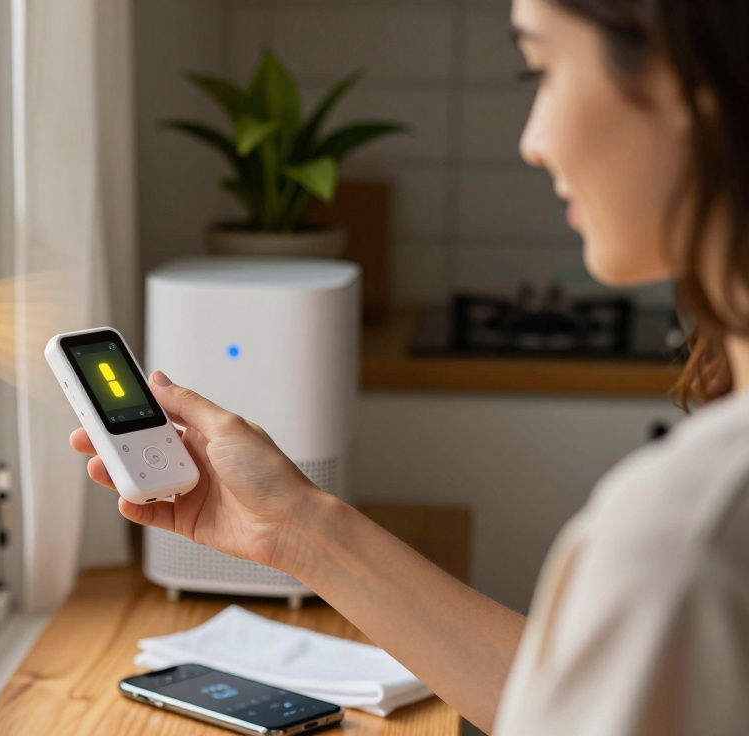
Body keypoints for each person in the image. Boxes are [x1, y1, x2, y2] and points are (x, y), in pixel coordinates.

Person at [69, 1, 749, 733]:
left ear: (688, 89)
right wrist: (297, 529)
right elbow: (559, 702)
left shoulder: (691, 529)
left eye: (542, 69)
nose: (532, 142)